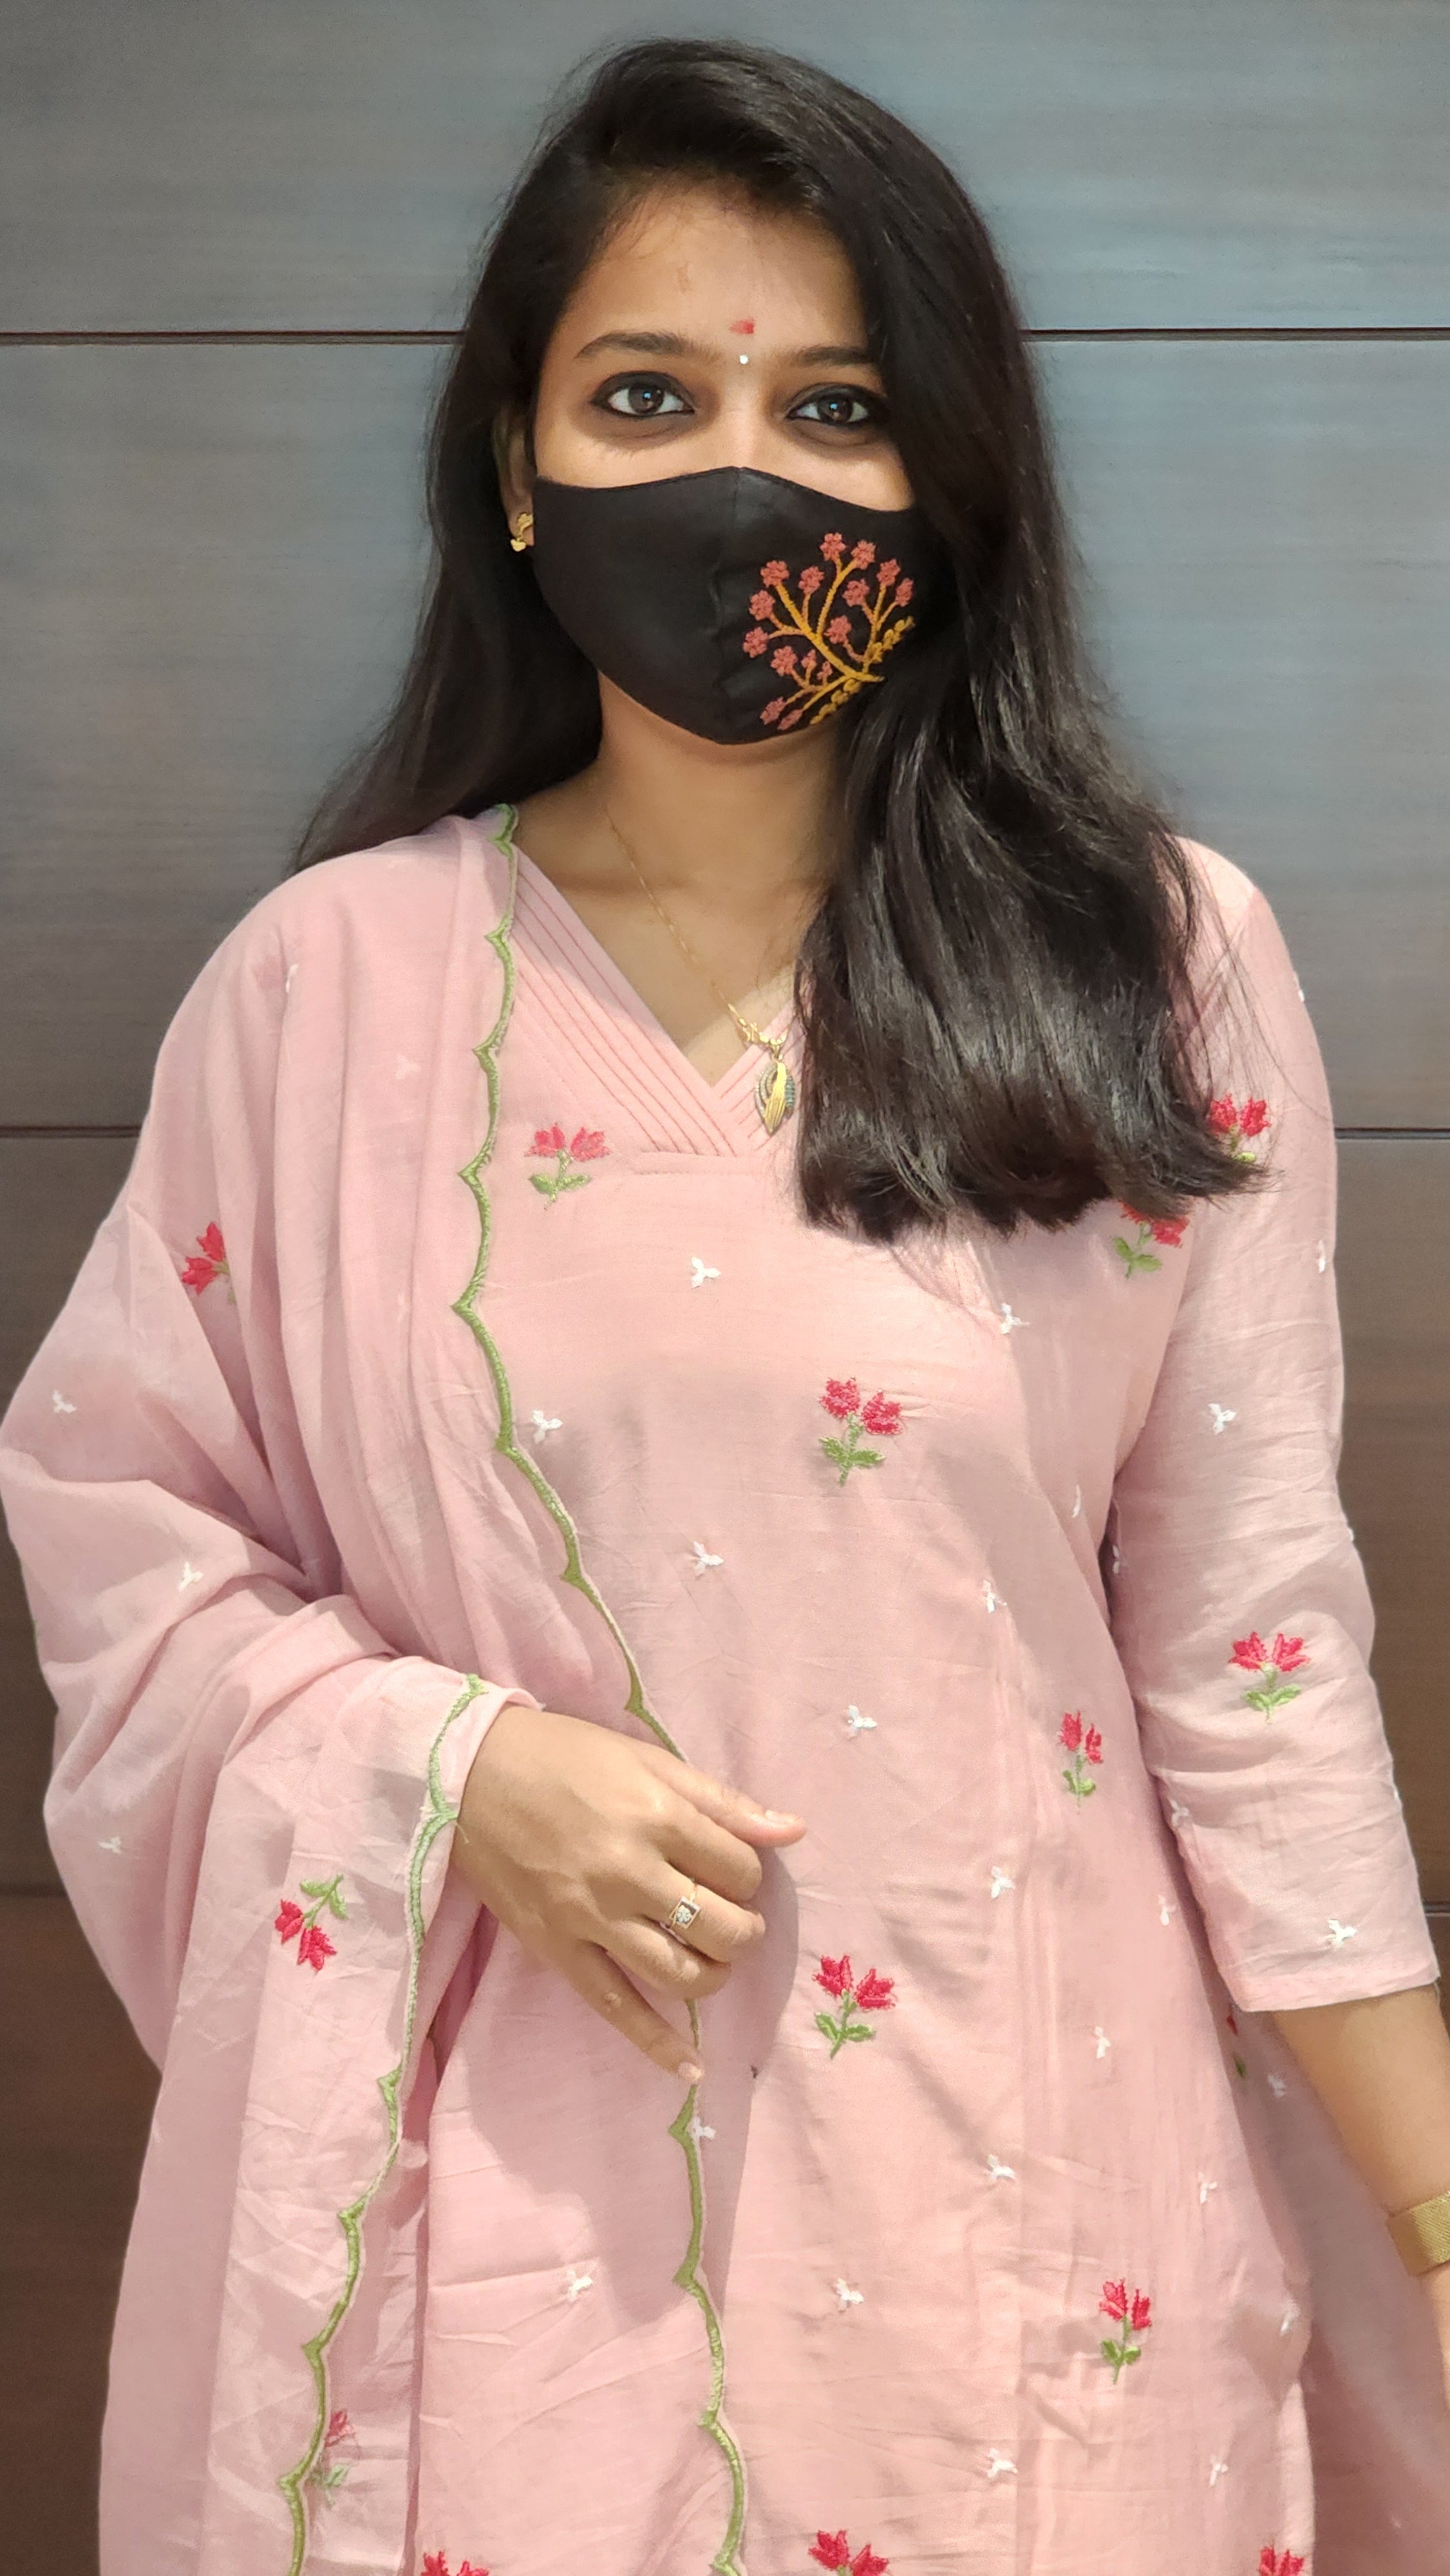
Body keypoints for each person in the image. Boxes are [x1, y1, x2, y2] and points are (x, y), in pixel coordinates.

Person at [3, 33, 1449, 2576]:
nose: (739, 473)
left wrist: (1431, 2206)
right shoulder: (328, 993)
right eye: (649, 396)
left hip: (1040, 2231)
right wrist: (450, 1764)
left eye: (833, 407)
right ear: (517, 462)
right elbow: (129, 1544)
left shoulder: (1149, 959)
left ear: (941, 475)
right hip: (519, 2264)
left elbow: (1247, 1657)